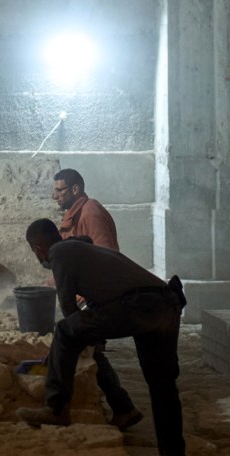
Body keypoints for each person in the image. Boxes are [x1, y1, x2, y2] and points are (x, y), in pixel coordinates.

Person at [17, 218, 186, 455]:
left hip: (139, 305)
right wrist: (66, 353)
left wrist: (65, 351)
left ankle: (56, 409)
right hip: (166, 303)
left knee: (65, 330)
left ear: (38, 249)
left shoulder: (59, 252)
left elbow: (69, 312)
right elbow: (100, 306)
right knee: (162, 387)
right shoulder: (83, 250)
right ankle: (173, 452)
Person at [50, 168, 136, 430]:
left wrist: (87, 299)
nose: (55, 196)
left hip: (98, 299)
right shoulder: (73, 215)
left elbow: (106, 258)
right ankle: (123, 408)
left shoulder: (91, 212)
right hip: (87, 298)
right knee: (92, 352)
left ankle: (122, 408)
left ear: (75, 189)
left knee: (88, 348)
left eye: (60, 190)